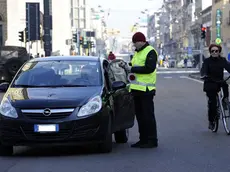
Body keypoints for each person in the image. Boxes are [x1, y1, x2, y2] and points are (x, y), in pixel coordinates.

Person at [119, 32, 158, 148]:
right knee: (140, 116)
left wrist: (131, 68)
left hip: (146, 90)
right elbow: (134, 65)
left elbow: (149, 68)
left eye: (135, 43)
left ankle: (152, 140)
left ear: (141, 41)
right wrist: (126, 65)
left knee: (148, 116)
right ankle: (143, 139)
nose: (134, 45)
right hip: (136, 89)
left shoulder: (150, 51)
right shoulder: (138, 53)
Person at [201, 44, 230, 130]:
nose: (214, 52)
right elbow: (203, 70)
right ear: (210, 52)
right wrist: (204, 75)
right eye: (212, 51)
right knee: (212, 104)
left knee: (225, 85)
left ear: (219, 52)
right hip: (210, 82)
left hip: (219, 81)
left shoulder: (222, 60)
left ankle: (225, 99)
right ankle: (211, 121)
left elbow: (228, 67)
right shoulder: (207, 61)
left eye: (216, 51)